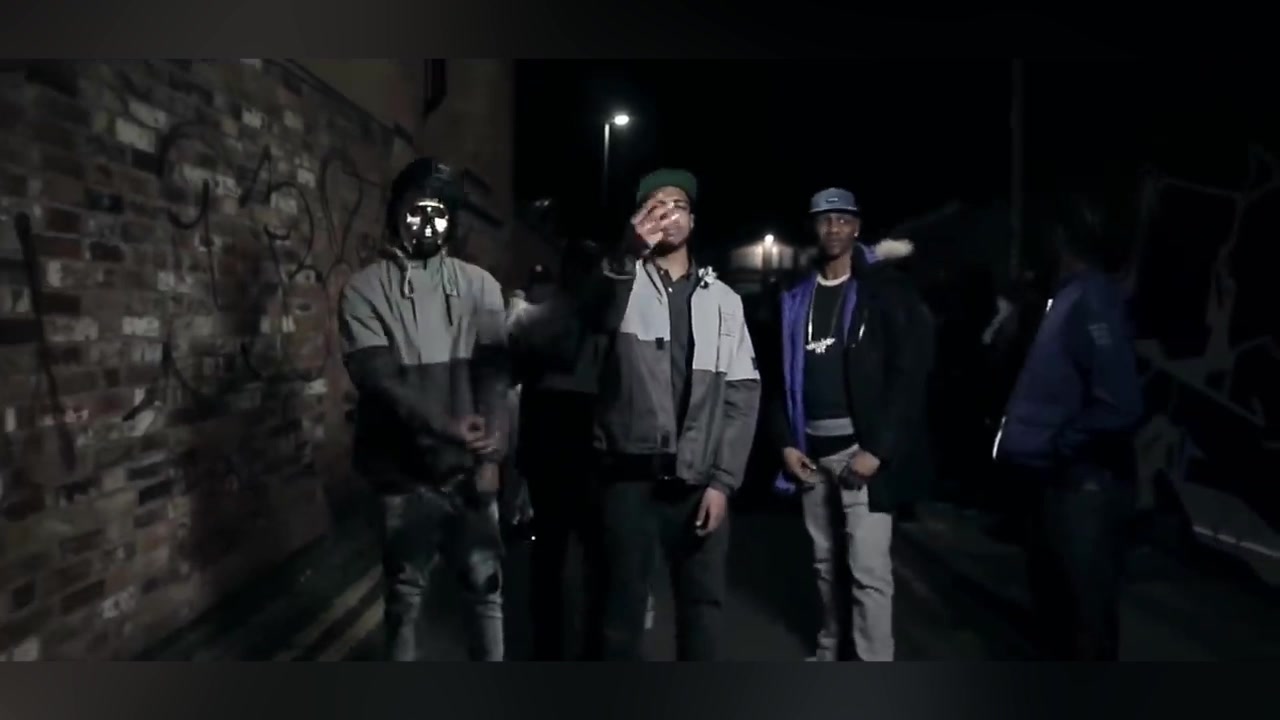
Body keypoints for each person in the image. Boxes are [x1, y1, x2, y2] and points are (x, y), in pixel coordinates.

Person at [537, 168, 761, 660]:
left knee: (703, 609)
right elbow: (581, 325)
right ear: (640, 219)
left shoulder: (724, 300)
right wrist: (625, 254)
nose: (669, 214)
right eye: (657, 206)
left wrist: (723, 483)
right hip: (627, 477)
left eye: (679, 205)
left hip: (698, 481)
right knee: (618, 610)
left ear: (693, 220)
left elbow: (742, 395)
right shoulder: (618, 281)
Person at [338, 158, 509, 661]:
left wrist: (492, 452)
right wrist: (450, 426)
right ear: (396, 214)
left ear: (453, 220)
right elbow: (381, 381)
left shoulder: (480, 285)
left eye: (439, 212)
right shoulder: (364, 290)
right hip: (402, 476)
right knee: (404, 596)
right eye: (416, 211)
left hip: (466, 473)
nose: (427, 223)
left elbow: (494, 373)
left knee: (487, 590)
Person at [767, 188, 935, 662]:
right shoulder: (795, 296)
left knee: (868, 570)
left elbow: (908, 372)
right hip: (810, 453)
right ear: (813, 228)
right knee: (825, 564)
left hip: (860, 452)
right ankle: (830, 651)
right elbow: (777, 375)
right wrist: (786, 443)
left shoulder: (882, 291)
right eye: (825, 220)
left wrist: (878, 448)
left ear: (857, 227)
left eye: (843, 219)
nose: (834, 227)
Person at [992, 192, 1142, 661]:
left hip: (1084, 488)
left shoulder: (1091, 299)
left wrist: (1062, 443)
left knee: (1083, 623)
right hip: (1057, 482)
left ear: (1060, 238)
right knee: (1057, 617)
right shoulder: (1064, 297)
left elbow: (1120, 403)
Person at [508, 254, 608, 660]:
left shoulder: (544, 317)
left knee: (555, 554)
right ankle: (574, 648)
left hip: (558, 440)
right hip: (573, 439)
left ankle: (554, 648)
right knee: (579, 555)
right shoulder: (569, 316)